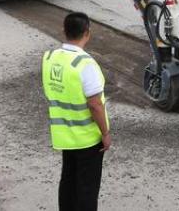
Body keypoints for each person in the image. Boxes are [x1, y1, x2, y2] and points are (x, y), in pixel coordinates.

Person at [41, 12, 110, 211]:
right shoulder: (85, 64)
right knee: (87, 188)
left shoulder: (50, 58)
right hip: (87, 138)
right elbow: (95, 105)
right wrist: (105, 134)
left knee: (68, 181)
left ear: (64, 30)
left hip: (64, 135)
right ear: (87, 33)